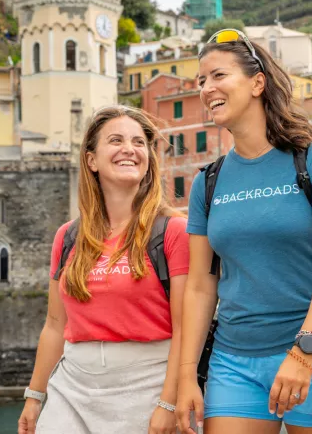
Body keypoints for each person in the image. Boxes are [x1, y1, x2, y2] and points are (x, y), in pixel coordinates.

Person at [175, 29, 312, 434]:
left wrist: (303, 352)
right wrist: (187, 375)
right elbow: (200, 287)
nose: (207, 88)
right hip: (232, 360)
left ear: (258, 83)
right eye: (201, 81)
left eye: (218, 75)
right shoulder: (208, 182)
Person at [17, 106, 190, 434]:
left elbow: (186, 329)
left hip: (147, 385)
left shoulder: (173, 231)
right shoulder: (68, 237)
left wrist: (168, 403)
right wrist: (34, 395)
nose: (130, 149)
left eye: (139, 142)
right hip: (72, 388)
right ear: (92, 160)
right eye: (116, 140)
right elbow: (55, 325)